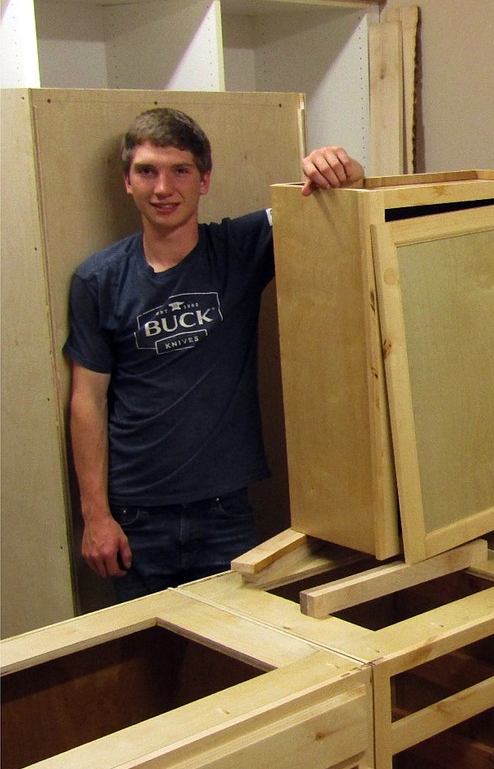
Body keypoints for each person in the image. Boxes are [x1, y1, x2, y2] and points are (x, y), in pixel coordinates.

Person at [63, 107, 364, 601]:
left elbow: (337, 196)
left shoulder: (238, 249)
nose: (163, 188)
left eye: (180, 170)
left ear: (204, 181)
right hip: (136, 517)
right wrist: (96, 517)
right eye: (147, 171)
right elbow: (87, 402)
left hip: (225, 512)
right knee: (147, 664)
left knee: (233, 662)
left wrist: (342, 167)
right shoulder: (98, 280)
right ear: (127, 182)